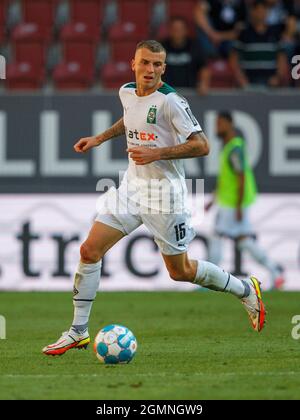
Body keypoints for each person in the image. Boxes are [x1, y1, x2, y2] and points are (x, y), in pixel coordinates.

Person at [42, 40, 266, 356]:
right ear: (133, 63)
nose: (150, 70)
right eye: (145, 63)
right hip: (132, 188)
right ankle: (78, 331)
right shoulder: (127, 92)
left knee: (181, 271)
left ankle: (245, 289)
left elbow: (202, 145)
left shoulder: (171, 102)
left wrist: (157, 152)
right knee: (89, 250)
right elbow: (130, 120)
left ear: (164, 68)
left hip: (165, 196)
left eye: (157, 65)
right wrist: (99, 138)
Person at [205, 111, 285, 289]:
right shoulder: (230, 147)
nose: (217, 128)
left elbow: (241, 178)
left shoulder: (234, 148)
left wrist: (239, 206)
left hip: (233, 204)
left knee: (217, 236)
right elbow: (227, 178)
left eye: (219, 124)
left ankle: (208, 280)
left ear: (229, 123)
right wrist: (213, 199)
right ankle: (276, 273)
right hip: (231, 202)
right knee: (244, 241)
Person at [229, 0, 290, 87]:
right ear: (252, 12)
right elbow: (233, 58)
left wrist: (277, 77)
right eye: (257, 10)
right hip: (249, 81)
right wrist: (241, 78)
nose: (260, 13)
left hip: (270, 83)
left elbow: (282, 58)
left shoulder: (275, 33)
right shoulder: (244, 33)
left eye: (263, 10)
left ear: (267, 12)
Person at [161, 16, 210, 94]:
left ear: (186, 30)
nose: (177, 32)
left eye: (180, 29)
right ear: (170, 30)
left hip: (190, 92)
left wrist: (203, 83)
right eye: (174, 29)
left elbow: (204, 67)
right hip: (166, 92)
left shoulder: (194, 46)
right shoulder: (161, 47)